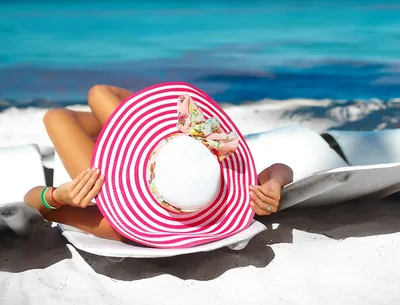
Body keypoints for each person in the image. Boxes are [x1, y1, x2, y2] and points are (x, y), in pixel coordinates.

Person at [24, 85, 294, 242]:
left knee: (58, 115)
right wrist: (276, 183)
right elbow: (280, 170)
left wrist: (58, 196)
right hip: (175, 148)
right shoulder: (219, 190)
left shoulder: (117, 225)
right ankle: (122, 123)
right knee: (97, 95)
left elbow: (34, 206)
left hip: (103, 176)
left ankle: (123, 124)